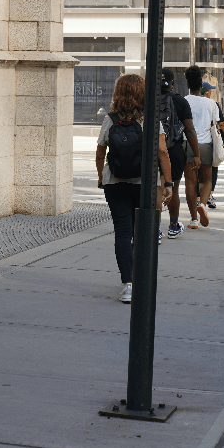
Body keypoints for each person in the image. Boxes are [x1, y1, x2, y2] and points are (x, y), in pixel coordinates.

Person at [95, 74, 173, 303]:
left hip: (115, 183)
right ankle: (143, 279)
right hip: (144, 183)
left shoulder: (110, 119)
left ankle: (127, 284)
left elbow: (100, 152)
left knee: (122, 232)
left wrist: (101, 176)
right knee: (143, 233)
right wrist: (167, 182)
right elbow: (162, 152)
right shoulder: (150, 119)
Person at [159, 67, 200, 239]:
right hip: (174, 149)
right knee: (172, 188)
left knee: (156, 188)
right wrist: (196, 154)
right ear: (172, 83)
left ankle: (155, 228)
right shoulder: (180, 101)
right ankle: (173, 225)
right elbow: (189, 130)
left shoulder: (147, 100)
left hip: (153, 149)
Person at [183, 66, 218, 229]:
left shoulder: (183, 100)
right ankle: (203, 204)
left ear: (187, 83)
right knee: (207, 180)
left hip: (188, 144)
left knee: (190, 182)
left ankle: (194, 220)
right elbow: (216, 123)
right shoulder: (210, 103)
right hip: (205, 145)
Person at [201, 81, 224, 209]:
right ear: (206, 92)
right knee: (213, 167)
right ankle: (209, 195)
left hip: (194, 141)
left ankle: (199, 197)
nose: (211, 92)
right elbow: (222, 124)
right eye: (210, 90)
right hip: (210, 141)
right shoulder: (212, 104)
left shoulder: (191, 103)